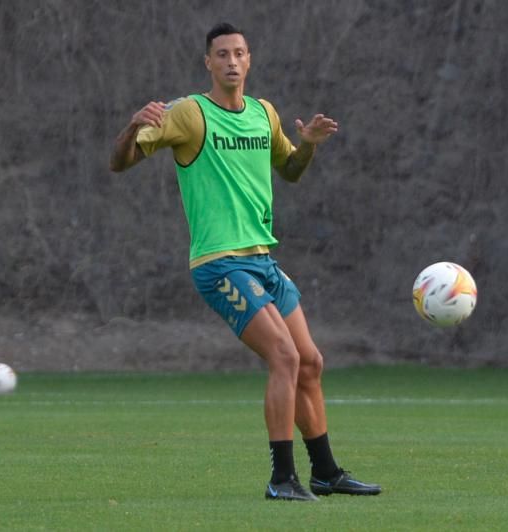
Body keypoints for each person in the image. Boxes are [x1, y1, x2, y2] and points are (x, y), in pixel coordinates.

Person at [109, 22, 380, 502]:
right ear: (208, 63)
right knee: (284, 356)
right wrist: (133, 125)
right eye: (221, 54)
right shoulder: (190, 114)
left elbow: (291, 171)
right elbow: (120, 162)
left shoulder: (264, 114)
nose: (231, 61)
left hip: (262, 260)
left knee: (311, 362)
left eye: (239, 53)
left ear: (249, 60)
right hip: (219, 263)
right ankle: (281, 479)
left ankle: (325, 472)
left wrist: (310, 143)